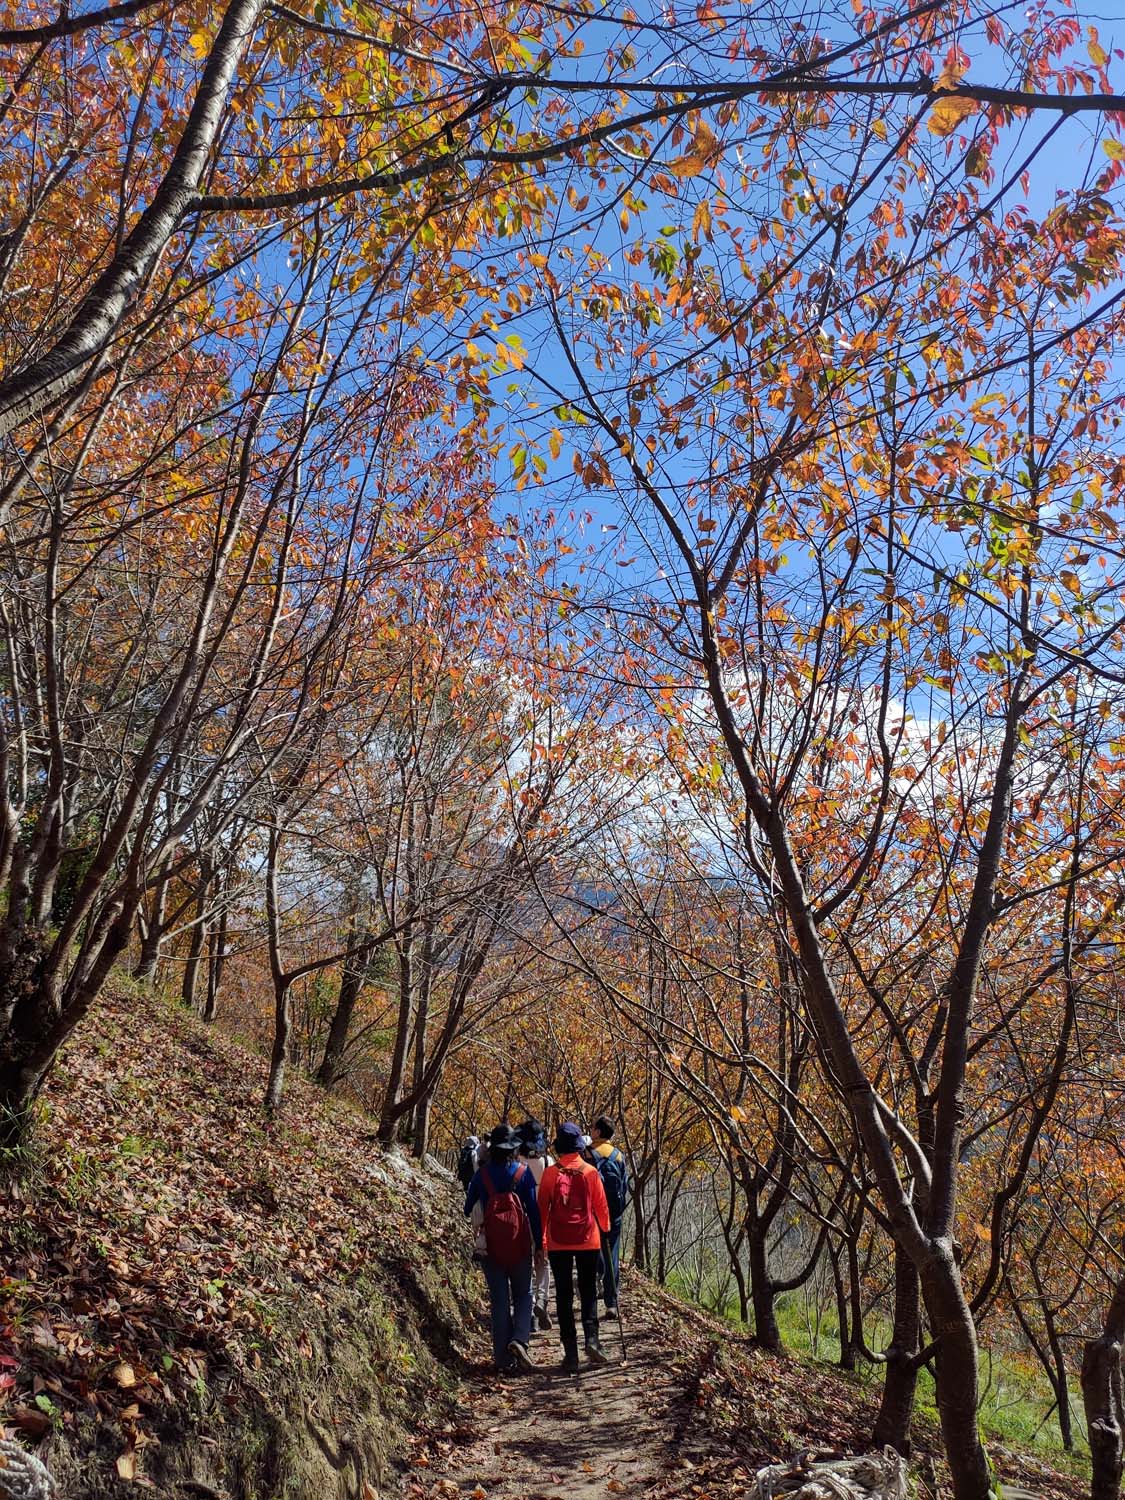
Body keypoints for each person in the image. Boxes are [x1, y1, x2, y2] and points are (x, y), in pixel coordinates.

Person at [464, 1124, 542, 1374]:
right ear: (513, 1148)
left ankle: (501, 1359)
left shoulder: (482, 1175)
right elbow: (533, 1211)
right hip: (519, 1244)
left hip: (492, 1248)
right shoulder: (523, 1173)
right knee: (523, 1294)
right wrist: (539, 1244)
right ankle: (519, 1339)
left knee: (499, 1301)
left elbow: (467, 1208)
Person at [538, 1121, 611, 1372]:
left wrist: (542, 1241)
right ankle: (592, 1339)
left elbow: (542, 1210)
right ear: (579, 1146)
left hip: (559, 1242)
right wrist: (606, 1228)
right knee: (588, 1291)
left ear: (559, 1146)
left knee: (564, 1295)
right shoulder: (590, 1172)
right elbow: (601, 1207)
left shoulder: (550, 1174)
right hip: (588, 1239)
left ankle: (570, 1355)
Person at [516, 1119, 553, 1330]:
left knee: (524, 1265)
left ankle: (527, 1311)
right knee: (543, 1261)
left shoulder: (516, 1161)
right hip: (543, 1217)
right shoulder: (548, 1162)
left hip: (520, 1218)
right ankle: (542, 1299)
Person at [590, 1116, 629, 1319]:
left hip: (591, 1213)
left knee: (592, 1251)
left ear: (597, 1132)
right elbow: (624, 1185)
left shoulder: (588, 1154)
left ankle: (594, 1286)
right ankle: (611, 1303)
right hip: (613, 1214)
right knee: (611, 1254)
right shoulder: (618, 1156)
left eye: (593, 1128)